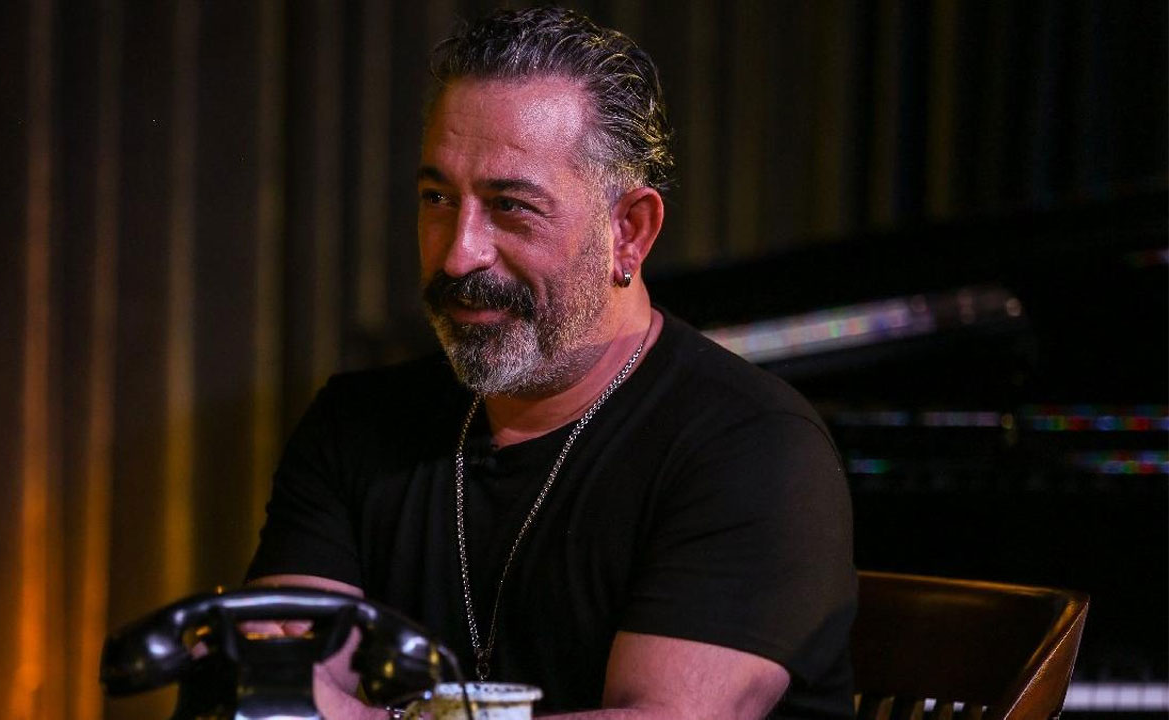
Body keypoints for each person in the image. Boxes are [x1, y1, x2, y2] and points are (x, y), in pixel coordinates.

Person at [245, 7, 855, 719]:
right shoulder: (357, 425)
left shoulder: (751, 448)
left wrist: (360, 716)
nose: (458, 254)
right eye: (438, 198)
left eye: (510, 206)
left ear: (628, 231)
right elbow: (273, 693)